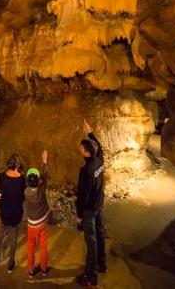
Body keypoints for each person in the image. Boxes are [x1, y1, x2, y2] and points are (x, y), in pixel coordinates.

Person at [76, 119, 106, 287]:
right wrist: (90, 133)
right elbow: (100, 147)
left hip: (89, 210)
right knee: (100, 234)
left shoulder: (85, 171)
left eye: (81, 149)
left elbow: (82, 195)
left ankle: (91, 276)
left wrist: (79, 215)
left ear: (87, 153)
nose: (79, 150)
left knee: (92, 241)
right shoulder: (100, 160)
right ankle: (102, 264)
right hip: (100, 204)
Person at [0, 154, 25, 273]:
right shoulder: (22, 179)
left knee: (1, 232)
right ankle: (11, 263)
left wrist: (0, 206)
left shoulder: (2, 177)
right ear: (17, 165)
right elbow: (22, 196)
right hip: (16, 212)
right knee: (13, 236)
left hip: (4, 211)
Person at [25, 150, 50, 279]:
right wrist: (44, 160)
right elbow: (44, 175)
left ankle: (30, 270)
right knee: (43, 245)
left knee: (30, 246)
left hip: (31, 224)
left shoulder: (26, 192)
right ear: (38, 181)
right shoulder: (42, 188)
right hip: (42, 222)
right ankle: (44, 268)